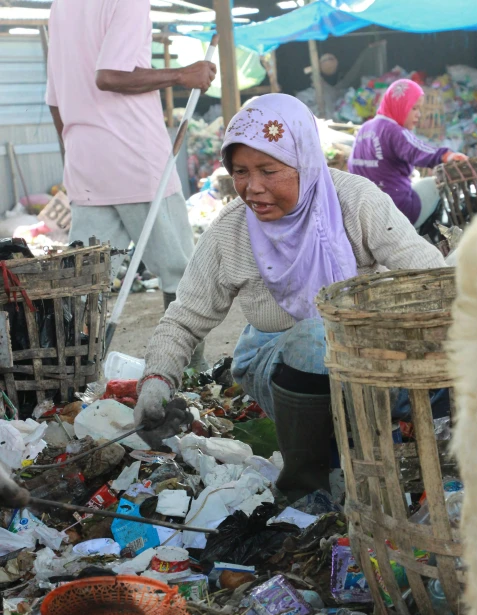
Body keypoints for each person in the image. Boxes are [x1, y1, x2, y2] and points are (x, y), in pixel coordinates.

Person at [134, 93, 449, 501]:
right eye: (241, 172)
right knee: (316, 339)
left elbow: (433, 278)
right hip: (279, 362)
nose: (253, 187)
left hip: (367, 353)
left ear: (305, 160)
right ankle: (307, 486)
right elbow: (184, 320)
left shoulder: (356, 201)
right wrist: (155, 384)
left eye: (268, 170)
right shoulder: (230, 232)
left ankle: (426, 459)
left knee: (450, 348)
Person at [45, 0, 216, 348]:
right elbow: (109, 76)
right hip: (139, 163)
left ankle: (72, 379)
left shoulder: (61, 5)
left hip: (86, 163)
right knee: (180, 276)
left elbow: (53, 98)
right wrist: (182, 75)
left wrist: (75, 150)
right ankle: (189, 376)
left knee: (83, 282)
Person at [349, 79, 467, 229]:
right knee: (435, 184)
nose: (418, 114)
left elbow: (351, 166)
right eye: (414, 108)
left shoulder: (365, 128)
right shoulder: (394, 131)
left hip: (366, 214)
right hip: (397, 212)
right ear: (400, 105)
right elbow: (419, 151)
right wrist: (446, 156)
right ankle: (426, 237)